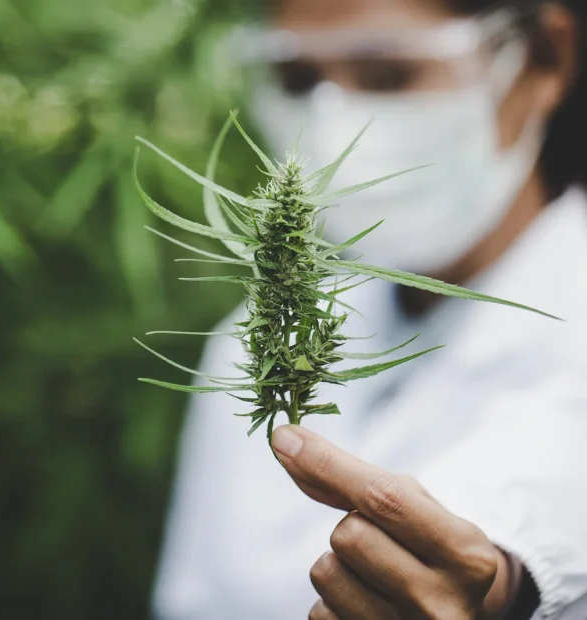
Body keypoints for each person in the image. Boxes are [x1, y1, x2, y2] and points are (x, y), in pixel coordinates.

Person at [152, 0, 587, 618]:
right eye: (298, 81)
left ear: (543, 59)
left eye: (389, 75)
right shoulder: (248, 343)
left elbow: (542, 502)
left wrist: (497, 581)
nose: (335, 130)